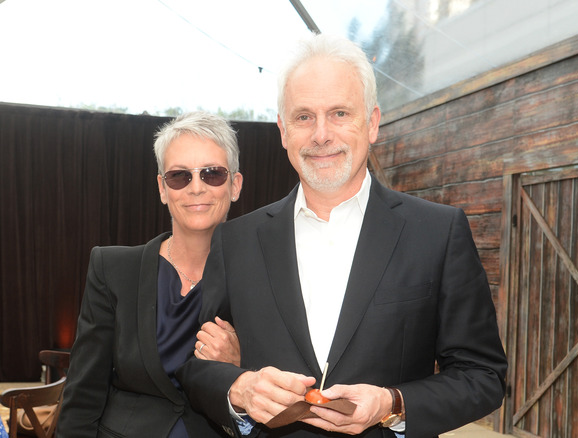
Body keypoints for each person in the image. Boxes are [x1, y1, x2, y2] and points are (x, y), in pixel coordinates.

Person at [177, 33, 507, 438]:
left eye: (339, 114)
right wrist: (239, 388)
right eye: (303, 117)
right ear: (283, 131)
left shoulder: (437, 232)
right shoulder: (236, 241)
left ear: (371, 123)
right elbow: (196, 371)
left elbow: (483, 376)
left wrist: (392, 403)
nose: (320, 135)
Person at [58, 111, 245, 438]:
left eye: (212, 174)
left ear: (234, 185)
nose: (196, 188)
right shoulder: (112, 269)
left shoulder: (261, 278)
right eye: (179, 176)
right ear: (162, 188)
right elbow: (83, 395)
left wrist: (240, 368)